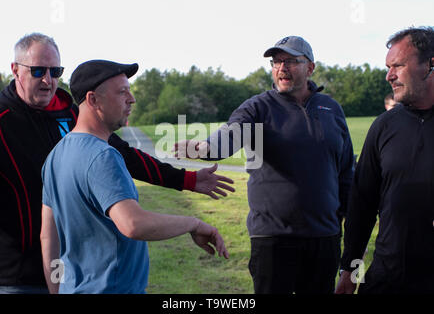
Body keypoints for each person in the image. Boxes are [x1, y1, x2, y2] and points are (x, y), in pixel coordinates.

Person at [0, 33, 234, 294]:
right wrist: (192, 223)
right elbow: (132, 224)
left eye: (55, 71)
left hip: (67, 273)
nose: (48, 80)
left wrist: (187, 180)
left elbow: (126, 156)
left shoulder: (70, 123)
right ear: (15, 70)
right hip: (21, 276)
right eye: (38, 71)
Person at [175, 36, 355, 294]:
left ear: (310, 67)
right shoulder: (259, 108)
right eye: (277, 61)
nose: (282, 67)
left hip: (324, 238)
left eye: (291, 61)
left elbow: (346, 173)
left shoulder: (331, 109)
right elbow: (232, 132)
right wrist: (209, 148)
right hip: (273, 240)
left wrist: (347, 229)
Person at [40, 60, 229, 294]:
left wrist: (57, 290)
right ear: (93, 100)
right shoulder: (103, 156)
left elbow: (48, 237)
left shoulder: (55, 156)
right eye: (122, 92)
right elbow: (132, 224)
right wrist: (193, 223)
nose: (132, 99)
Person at [336, 26, 434, 294]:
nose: (389, 76)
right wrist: (351, 269)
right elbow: (362, 204)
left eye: (398, 66)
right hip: (387, 279)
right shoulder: (384, 126)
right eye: (388, 67)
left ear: (430, 65)